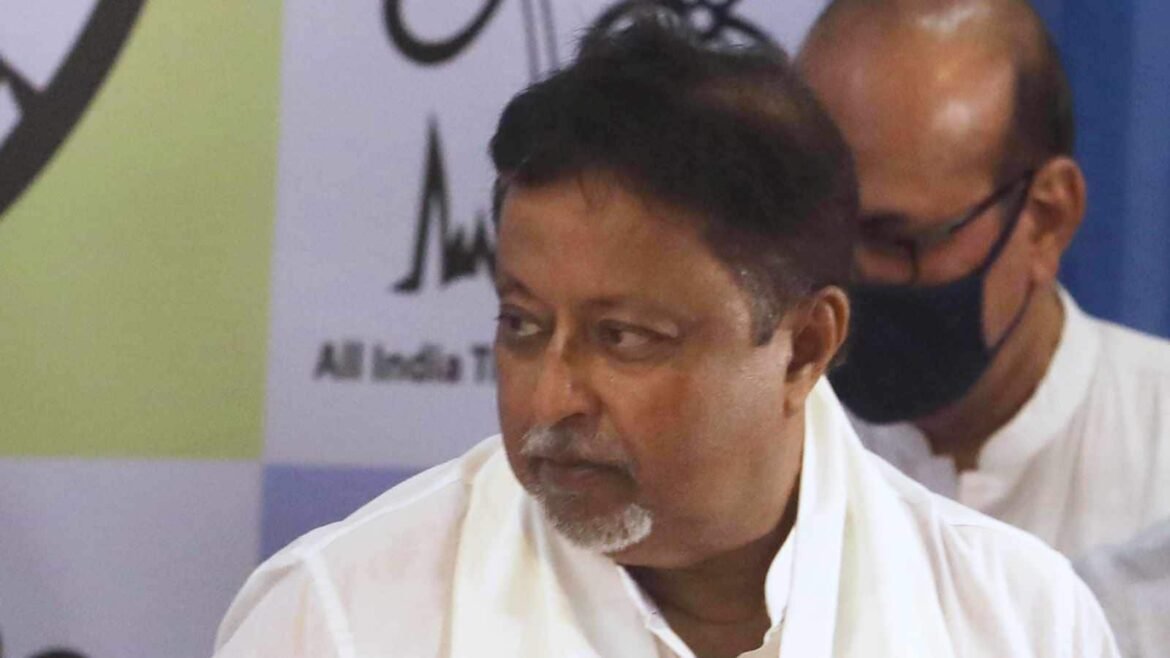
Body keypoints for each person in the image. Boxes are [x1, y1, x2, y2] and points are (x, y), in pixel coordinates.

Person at [213, 11, 1118, 657]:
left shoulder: (1018, 622)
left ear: (806, 347)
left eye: (625, 338)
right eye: (522, 324)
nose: (550, 398)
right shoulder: (335, 622)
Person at [798, 0, 1170, 559]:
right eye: (817, 227)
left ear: (1046, 218)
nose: (849, 275)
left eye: (897, 240)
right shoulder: (746, 456)